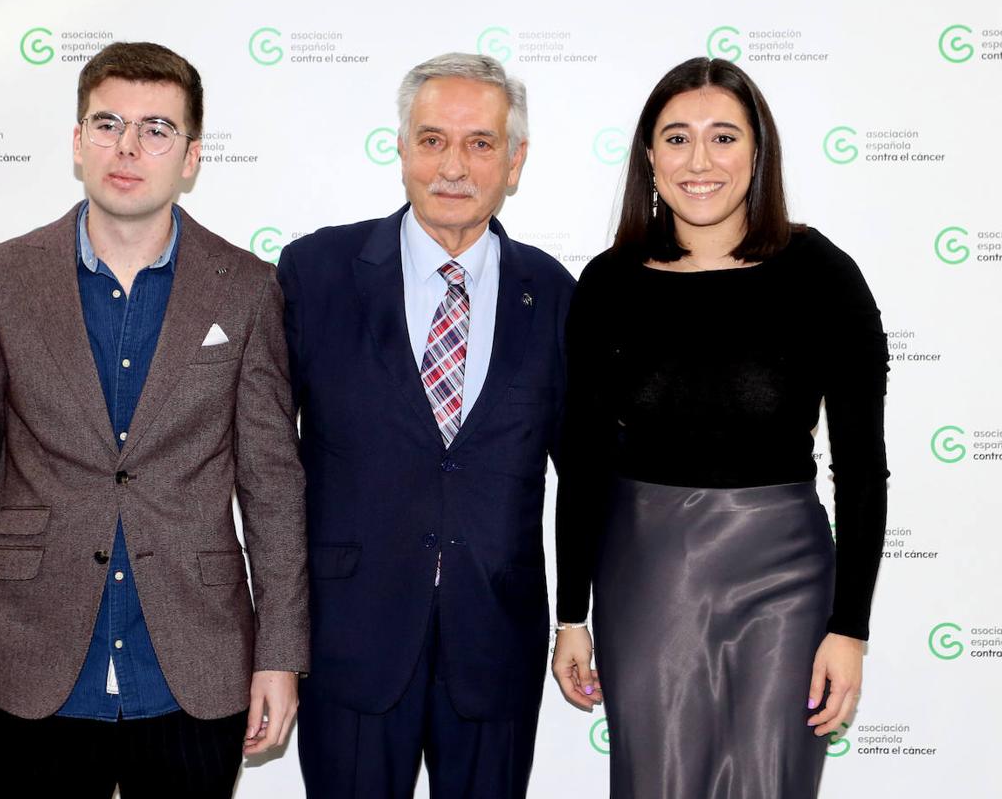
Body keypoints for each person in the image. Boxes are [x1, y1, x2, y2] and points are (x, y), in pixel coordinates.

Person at [0, 41, 308, 798]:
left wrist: (278, 655)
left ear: (190, 157)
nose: (128, 147)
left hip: (196, 668)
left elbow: (273, 489)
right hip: (30, 665)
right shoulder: (1, 279)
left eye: (157, 129)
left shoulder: (246, 289)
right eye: (107, 124)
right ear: (77, 142)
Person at [551, 56, 888, 799]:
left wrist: (850, 627)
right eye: (676, 138)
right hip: (646, 576)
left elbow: (862, 468)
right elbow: (581, 458)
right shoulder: (608, 283)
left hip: (788, 579)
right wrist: (570, 615)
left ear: (758, 152)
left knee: (772, 783)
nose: (699, 161)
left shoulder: (822, 274)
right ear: (648, 155)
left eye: (723, 137)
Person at [278, 52, 575, 798]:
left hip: (495, 638)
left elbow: (586, 477)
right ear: (403, 147)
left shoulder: (557, 292)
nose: (454, 165)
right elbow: (264, 462)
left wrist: (579, 615)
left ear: (515, 161)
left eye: (480, 144)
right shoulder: (315, 273)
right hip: (350, 634)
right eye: (433, 139)